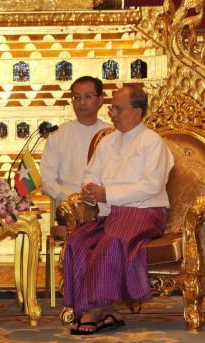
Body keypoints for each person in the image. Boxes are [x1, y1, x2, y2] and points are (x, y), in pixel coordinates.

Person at [63, 85, 174, 335]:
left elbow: (152, 185)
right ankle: (109, 311)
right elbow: (90, 173)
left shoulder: (152, 142)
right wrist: (90, 189)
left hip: (145, 212)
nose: (111, 113)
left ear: (136, 112)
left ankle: (93, 310)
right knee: (78, 240)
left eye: (117, 108)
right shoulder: (108, 141)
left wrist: (107, 193)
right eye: (111, 107)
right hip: (109, 213)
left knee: (112, 241)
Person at [40, 76, 111, 221]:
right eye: (76, 97)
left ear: (100, 100)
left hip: (106, 206)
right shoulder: (58, 135)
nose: (82, 102)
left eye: (88, 96)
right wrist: (76, 197)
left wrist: (102, 196)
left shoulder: (112, 134)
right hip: (69, 208)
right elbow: (47, 182)